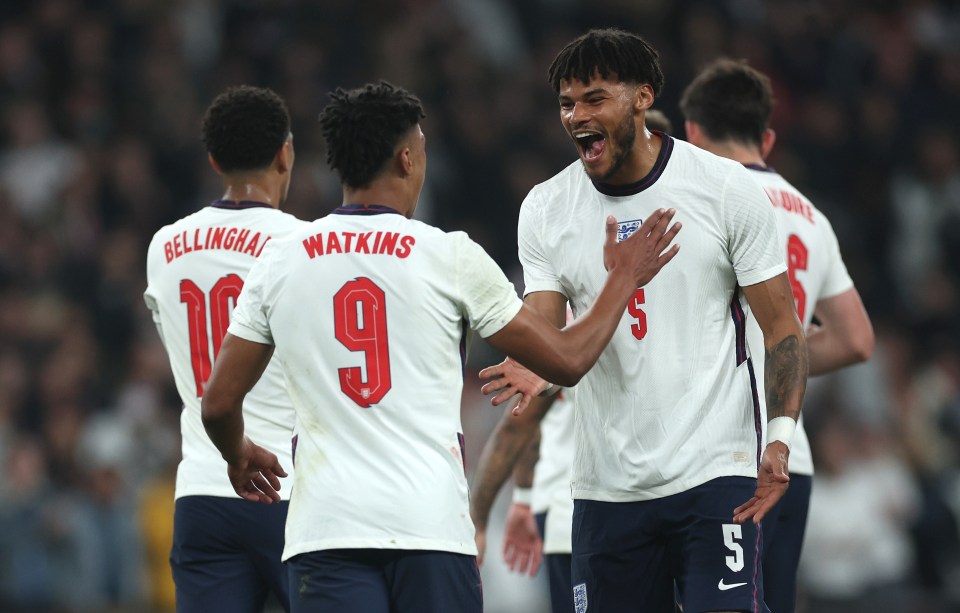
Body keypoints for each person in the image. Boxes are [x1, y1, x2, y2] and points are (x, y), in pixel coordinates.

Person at [199, 80, 681, 613]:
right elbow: (566, 361)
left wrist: (237, 454)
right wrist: (623, 279)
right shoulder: (448, 255)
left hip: (326, 531)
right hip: (429, 528)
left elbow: (219, 404)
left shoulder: (281, 258)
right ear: (408, 159)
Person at [478, 28, 809, 612]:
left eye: (594, 98)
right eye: (565, 103)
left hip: (716, 475)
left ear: (641, 97)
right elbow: (547, 333)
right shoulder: (547, 208)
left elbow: (782, 329)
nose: (576, 115)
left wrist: (779, 439)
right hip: (606, 490)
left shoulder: (724, 190)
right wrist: (535, 363)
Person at [680, 57, 875, 613]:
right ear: (766, 136)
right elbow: (858, 340)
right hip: (795, 459)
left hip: (723, 458)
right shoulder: (813, 215)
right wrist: (782, 350)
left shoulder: (706, 200)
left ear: (692, 132)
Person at [471, 108, 676, 613]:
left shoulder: (574, 293)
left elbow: (523, 423)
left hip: (585, 511)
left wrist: (490, 511)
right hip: (653, 501)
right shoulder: (582, 282)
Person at [143, 85, 304, 613]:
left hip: (202, 491)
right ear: (286, 152)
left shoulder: (164, 245)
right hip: (291, 488)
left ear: (213, 159)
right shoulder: (304, 244)